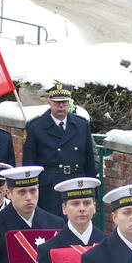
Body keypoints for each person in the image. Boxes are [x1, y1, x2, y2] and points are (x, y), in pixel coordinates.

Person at [22, 83, 97, 215]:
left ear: (69, 103)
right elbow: (29, 164)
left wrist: (92, 193)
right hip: (50, 187)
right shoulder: (35, 127)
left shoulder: (81, 125)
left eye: (64, 102)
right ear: (49, 102)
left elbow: (89, 160)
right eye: (57, 103)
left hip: (76, 183)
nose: (61, 106)